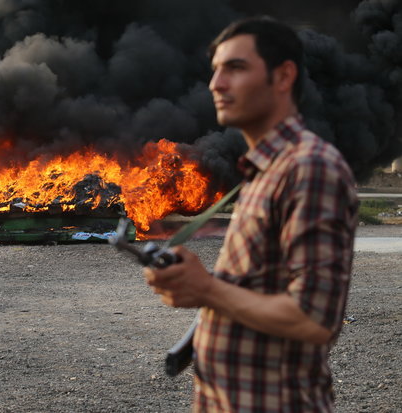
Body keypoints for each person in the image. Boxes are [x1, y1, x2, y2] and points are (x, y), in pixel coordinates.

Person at [143, 17, 359, 412]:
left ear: (283, 77)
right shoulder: (264, 171)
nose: (216, 84)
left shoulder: (309, 169)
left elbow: (314, 321)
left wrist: (207, 289)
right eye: (215, 71)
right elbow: (255, 289)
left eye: (235, 68)